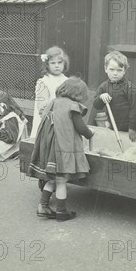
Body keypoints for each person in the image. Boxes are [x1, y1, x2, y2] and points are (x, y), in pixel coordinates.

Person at [27, 77, 94, 222]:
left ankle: (43, 206)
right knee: (62, 181)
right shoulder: (72, 106)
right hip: (61, 148)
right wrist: (90, 134)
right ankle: (61, 212)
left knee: (52, 178)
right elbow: (81, 127)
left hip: (48, 148)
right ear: (77, 94)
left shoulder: (53, 102)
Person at [88, 51, 136, 142]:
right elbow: (97, 105)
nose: (115, 73)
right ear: (106, 69)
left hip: (129, 128)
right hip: (113, 126)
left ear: (124, 71)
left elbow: (135, 108)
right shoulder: (104, 86)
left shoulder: (129, 87)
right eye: (112, 70)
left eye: (119, 70)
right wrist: (101, 97)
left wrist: (132, 128)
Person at [29, 46, 69, 138]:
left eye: (59, 62)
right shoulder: (43, 82)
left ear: (64, 63)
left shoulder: (67, 81)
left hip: (63, 120)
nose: (57, 65)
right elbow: (42, 108)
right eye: (53, 63)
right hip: (47, 122)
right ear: (47, 65)